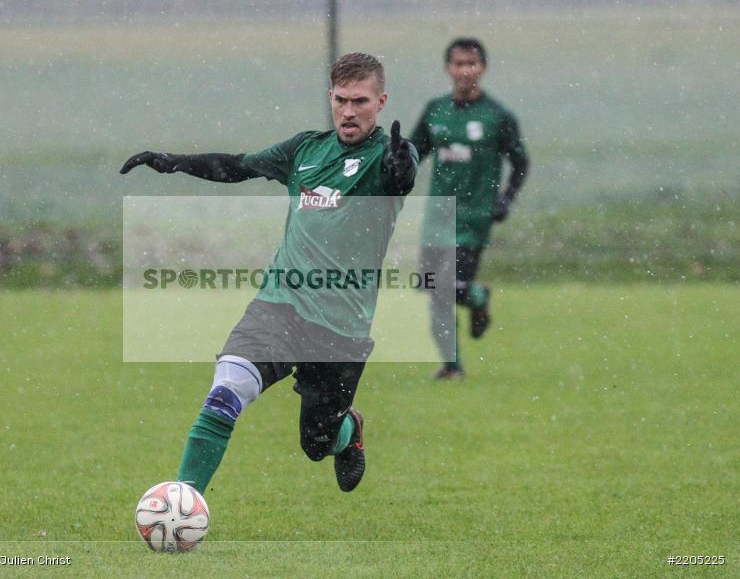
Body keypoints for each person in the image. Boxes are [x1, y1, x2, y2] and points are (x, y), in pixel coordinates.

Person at [120, 53, 418, 494]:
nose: (349, 111)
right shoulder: (305, 149)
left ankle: (346, 432)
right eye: (341, 100)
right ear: (330, 98)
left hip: (341, 325)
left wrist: (400, 170)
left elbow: (401, 177)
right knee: (228, 389)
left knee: (316, 443)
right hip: (279, 306)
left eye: (361, 101)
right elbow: (238, 167)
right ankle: (183, 499)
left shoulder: (391, 154)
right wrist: (175, 161)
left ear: (382, 102)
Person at [409, 37, 529, 380]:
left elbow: (520, 162)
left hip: (473, 218)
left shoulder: (497, 116)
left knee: (447, 286)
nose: (465, 71)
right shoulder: (436, 111)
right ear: (448, 68)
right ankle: (452, 366)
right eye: (458, 64)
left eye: (471, 64)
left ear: (483, 68)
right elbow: (415, 153)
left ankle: (476, 297)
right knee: (433, 290)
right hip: (437, 217)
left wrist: (506, 198)